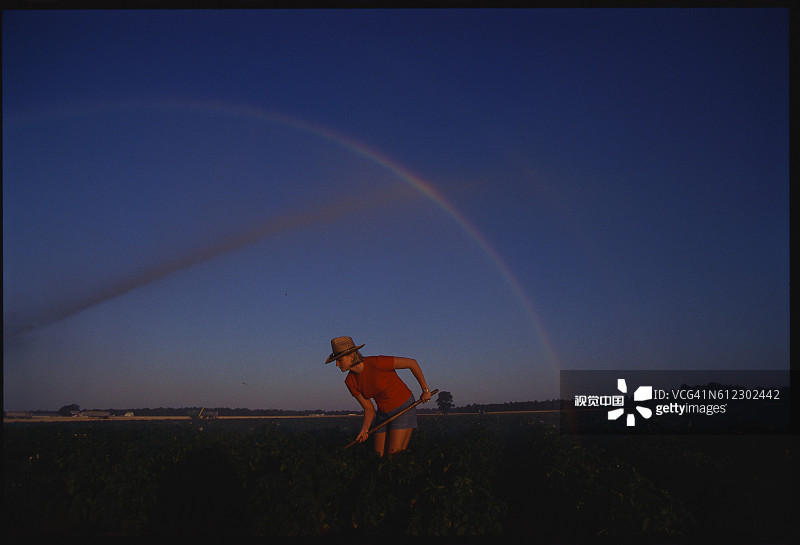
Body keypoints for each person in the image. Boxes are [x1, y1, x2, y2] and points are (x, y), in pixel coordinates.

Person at [325, 336, 432, 456]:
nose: (337, 364)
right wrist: (365, 428)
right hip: (383, 413)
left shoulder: (377, 362)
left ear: (352, 355)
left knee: (394, 456)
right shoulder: (350, 381)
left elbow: (412, 363)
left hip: (403, 407)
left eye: (339, 360)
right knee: (378, 456)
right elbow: (368, 408)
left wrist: (425, 390)